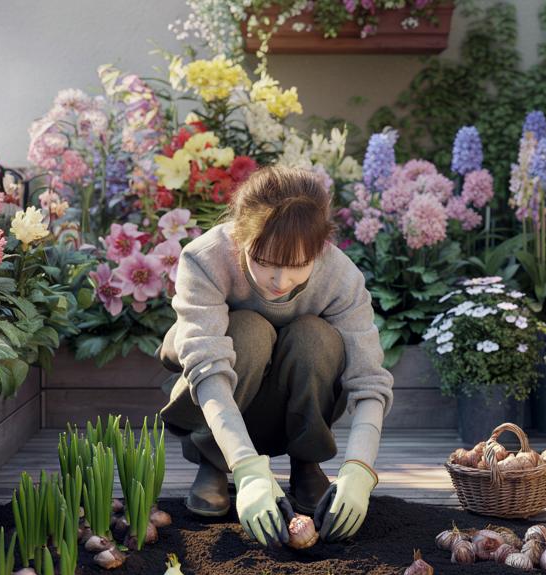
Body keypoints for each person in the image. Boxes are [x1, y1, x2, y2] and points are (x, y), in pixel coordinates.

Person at [158, 166, 392, 547]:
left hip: (294, 403)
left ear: (320, 248)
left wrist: (360, 468)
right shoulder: (206, 259)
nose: (280, 281)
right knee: (250, 330)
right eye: (264, 261)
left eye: (298, 265)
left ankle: (306, 463)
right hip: (223, 399)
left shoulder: (340, 278)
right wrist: (246, 468)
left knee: (314, 337)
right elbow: (207, 368)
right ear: (240, 237)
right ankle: (214, 463)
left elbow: (369, 379)